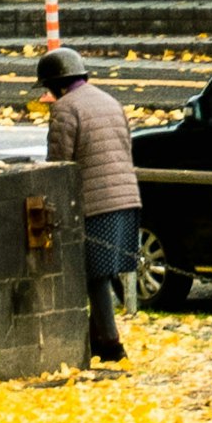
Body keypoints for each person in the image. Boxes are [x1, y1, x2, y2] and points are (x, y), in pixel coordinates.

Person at [39, 46, 141, 365]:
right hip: (125, 198)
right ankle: (96, 337)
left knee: (93, 276)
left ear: (56, 84)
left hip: (95, 203)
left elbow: (59, 164)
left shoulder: (65, 109)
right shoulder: (109, 101)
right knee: (103, 273)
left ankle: (111, 344)